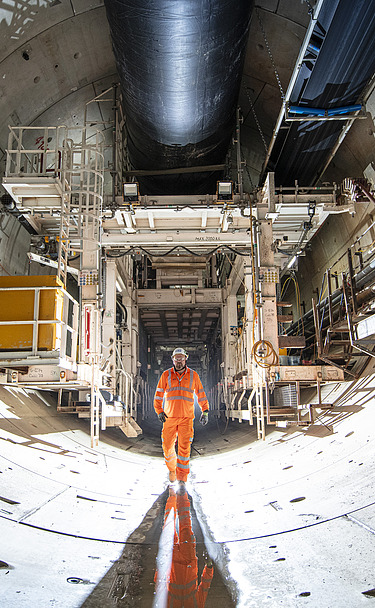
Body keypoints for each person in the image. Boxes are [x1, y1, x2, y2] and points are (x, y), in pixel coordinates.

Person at [154, 347, 209, 489]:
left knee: (184, 449)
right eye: (176, 359)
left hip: (187, 418)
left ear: (186, 359)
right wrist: (159, 411)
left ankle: (182, 478)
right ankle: (172, 469)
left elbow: (201, 394)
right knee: (167, 447)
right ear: (173, 360)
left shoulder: (193, 375)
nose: (179, 362)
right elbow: (158, 395)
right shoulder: (166, 375)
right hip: (169, 418)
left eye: (181, 359)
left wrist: (205, 410)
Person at [154, 486, 214, 607]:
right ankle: (181, 494)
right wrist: (209, 568)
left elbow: (160, 588)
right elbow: (204, 588)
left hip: (173, 561)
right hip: (186, 560)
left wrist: (160, 568)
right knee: (184, 526)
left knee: (170, 527)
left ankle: (173, 497)